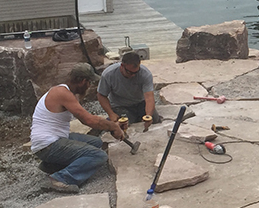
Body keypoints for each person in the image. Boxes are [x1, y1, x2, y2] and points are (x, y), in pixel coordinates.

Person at [31, 63, 125, 193]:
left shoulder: (64, 91)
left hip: (55, 139)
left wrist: (110, 125)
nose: (90, 86)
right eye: (89, 82)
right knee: (98, 156)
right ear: (82, 81)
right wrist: (112, 126)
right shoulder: (62, 93)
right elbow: (88, 120)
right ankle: (60, 178)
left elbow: (90, 118)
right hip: (47, 145)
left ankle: (52, 165)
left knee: (96, 142)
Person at [97, 51, 161, 130]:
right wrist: (111, 114)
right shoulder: (109, 74)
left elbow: (149, 97)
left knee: (155, 121)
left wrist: (149, 116)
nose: (133, 75)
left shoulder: (145, 74)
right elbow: (101, 95)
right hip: (120, 105)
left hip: (140, 103)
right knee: (123, 125)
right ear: (122, 66)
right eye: (129, 72)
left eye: (136, 72)